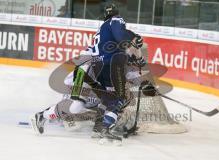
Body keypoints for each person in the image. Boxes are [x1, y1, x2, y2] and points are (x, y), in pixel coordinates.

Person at [31, 2, 145, 141]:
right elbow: (123, 38)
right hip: (83, 71)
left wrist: (135, 58)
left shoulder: (106, 35)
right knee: (76, 107)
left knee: (112, 99)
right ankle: (42, 115)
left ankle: (100, 127)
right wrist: (134, 42)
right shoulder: (115, 21)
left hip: (95, 71)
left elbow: (122, 54)